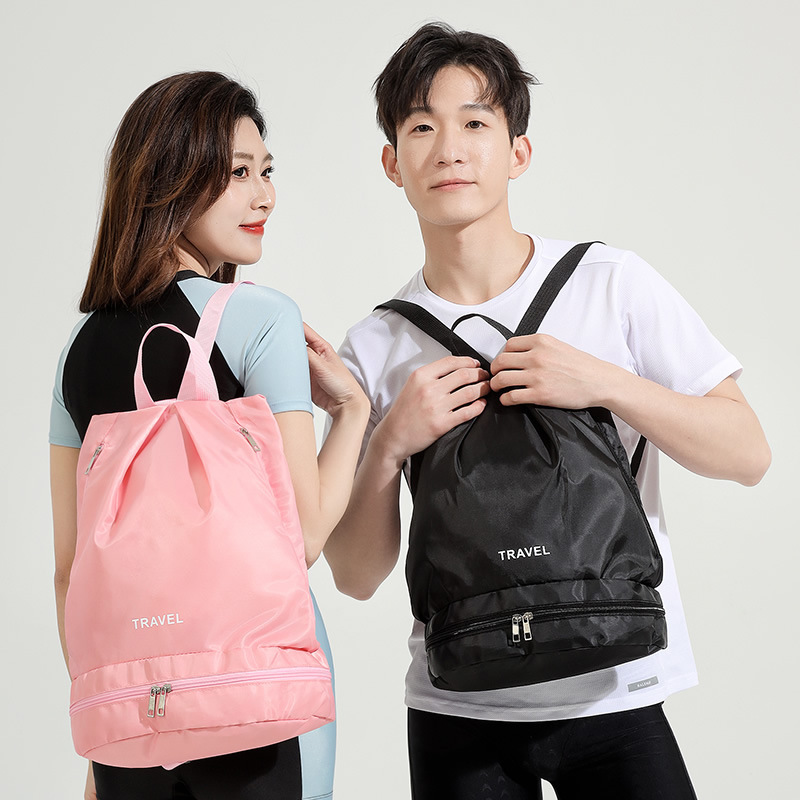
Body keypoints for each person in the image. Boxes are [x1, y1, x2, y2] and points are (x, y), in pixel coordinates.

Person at [323, 22, 771, 800]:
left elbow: (748, 453)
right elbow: (356, 577)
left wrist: (605, 383)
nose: (449, 149)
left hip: (617, 691)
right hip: (457, 708)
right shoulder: (375, 344)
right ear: (392, 163)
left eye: (475, 123)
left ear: (518, 152)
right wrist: (391, 442)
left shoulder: (611, 283)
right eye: (421, 127)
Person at [49, 71, 370, 800]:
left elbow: (70, 572)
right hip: (256, 696)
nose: (264, 197)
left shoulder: (77, 350)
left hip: (130, 715)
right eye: (237, 173)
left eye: (267, 172)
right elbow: (302, 536)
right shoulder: (258, 317)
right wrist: (352, 412)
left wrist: (107, 736)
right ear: (170, 179)